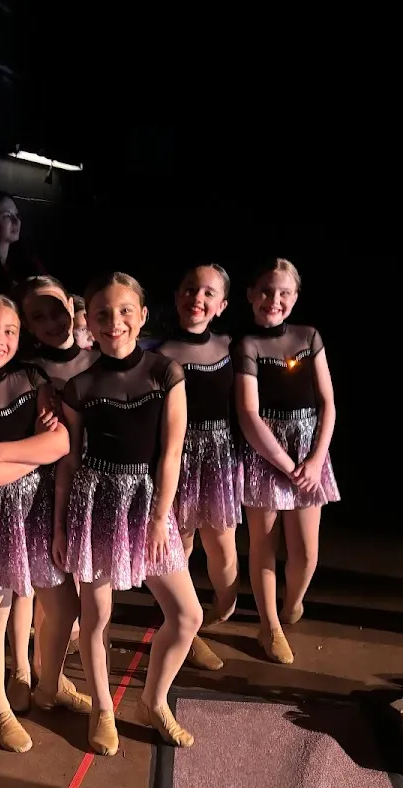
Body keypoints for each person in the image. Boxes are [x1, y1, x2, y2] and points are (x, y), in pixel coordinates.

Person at [54, 273, 203, 756]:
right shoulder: (80, 385)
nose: (113, 321)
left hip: (147, 502)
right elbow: (69, 461)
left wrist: (159, 517)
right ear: (89, 321)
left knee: (187, 615)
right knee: (96, 617)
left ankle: (153, 701)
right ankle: (102, 707)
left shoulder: (165, 372)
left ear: (142, 316)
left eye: (124, 311)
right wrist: (60, 526)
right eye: (102, 313)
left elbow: (172, 451)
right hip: (96, 502)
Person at [0, 293, 85, 752]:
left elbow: (60, 444)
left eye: (10, 331)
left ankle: (50, 681)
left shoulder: (32, 378)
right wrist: (30, 454)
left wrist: (0, 452)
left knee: (64, 607)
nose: (0, 339)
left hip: (35, 507)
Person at [233, 258, 339, 665]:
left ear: (295, 297)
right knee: (263, 546)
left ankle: (292, 603)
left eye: (284, 293)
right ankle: (269, 625)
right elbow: (248, 412)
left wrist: (315, 459)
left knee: (306, 552)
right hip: (266, 452)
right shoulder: (248, 345)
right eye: (266, 290)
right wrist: (284, 463)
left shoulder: (308, 336)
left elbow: (328, 404)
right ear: (250, 294)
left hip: (309, 451)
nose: (273, 299)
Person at [16, 276, 99, 699]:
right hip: (40, 487)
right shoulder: (27, 371)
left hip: (91, 483)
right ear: (27, 324)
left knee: (74, 586)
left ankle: (47, 670)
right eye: (38, 316)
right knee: (38, 589)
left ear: (71, 304)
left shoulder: (97, 360)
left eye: (56, 311)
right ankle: (29, 673)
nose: (51, 322)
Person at [156, 264, 242, 672]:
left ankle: (222, 608)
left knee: (223, 548)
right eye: (190, 289)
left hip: (219, 457)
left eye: (208, 292)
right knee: (182, 545)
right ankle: (188, 631)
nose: (197, 298)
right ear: (177, 296)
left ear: (221, 305)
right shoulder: (159, 354)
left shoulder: (230, 346)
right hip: (178, 457)